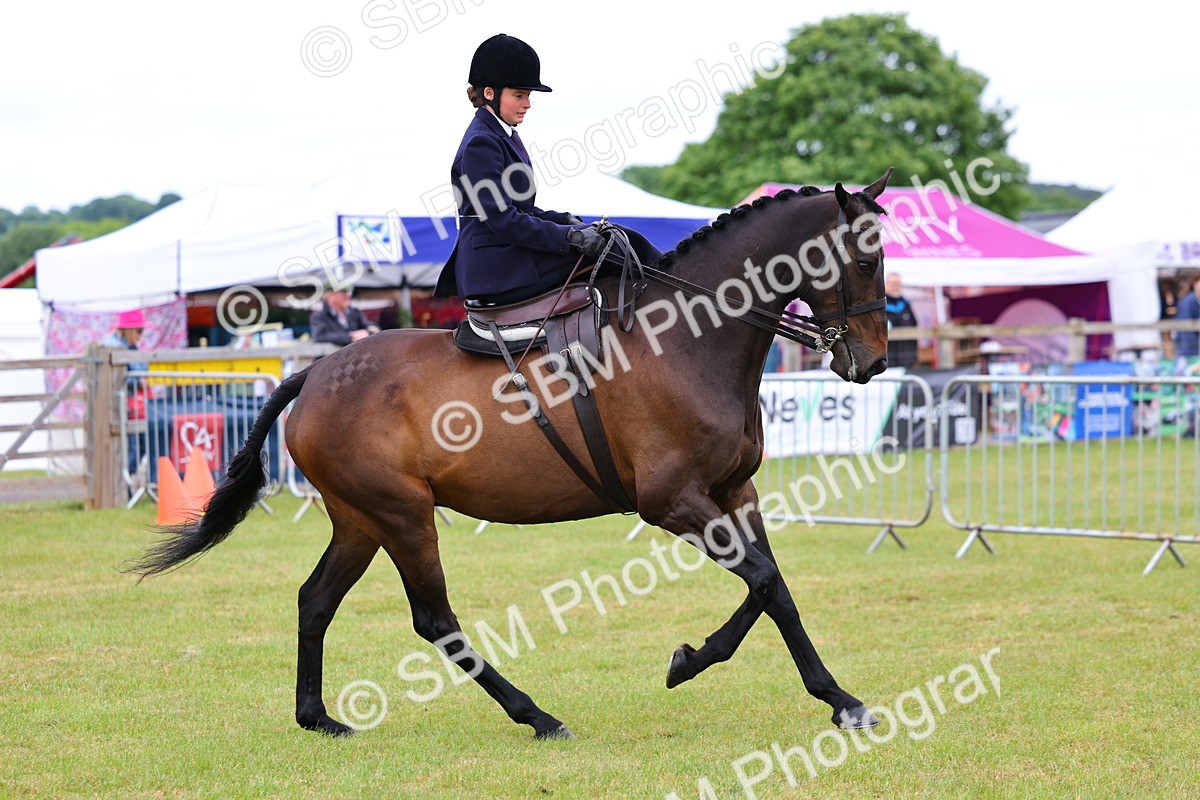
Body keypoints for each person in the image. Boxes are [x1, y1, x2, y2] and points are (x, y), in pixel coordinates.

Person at [433, 33, 659, 305]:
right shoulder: (481, 143)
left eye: (527, 95)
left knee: (616, 236)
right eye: (519, 95)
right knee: (613, 251)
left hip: (508, 252)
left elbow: (523, 211)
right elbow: (502, 219)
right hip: (495, 265)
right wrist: (570, 237)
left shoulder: (503, 135)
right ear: (489, 93)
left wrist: (566, 221)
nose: (527, 104)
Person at [101, 309, 151, 476]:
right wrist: (138, 381)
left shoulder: (129, 346)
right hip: (120, 407)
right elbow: (114, 379)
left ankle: (126, 481)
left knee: (140, 446)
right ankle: (125, 481)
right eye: (139, 331)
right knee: (134, 447)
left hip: (131, 407)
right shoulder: (112, 347)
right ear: (129, 330)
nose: (140, 335)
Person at [309, 286, 378, 346]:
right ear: (331, 295)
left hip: (352, 358)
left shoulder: (355, 312)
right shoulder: (318, 316)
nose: (348, 296)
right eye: (343, 293)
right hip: (330, 359)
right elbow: (320, 336)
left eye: (349, 293)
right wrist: (351, 337)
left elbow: (371, 326)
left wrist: (368, 332)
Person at [884, 272, 919, 368]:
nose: (896, 287)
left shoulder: (906, 304)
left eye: (898, 284)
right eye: (893, 284)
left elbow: (914, 326)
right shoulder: (881, 306)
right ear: (886, 285)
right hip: (887, 358)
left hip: (907, 357)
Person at [1173, 273, 1200, 358]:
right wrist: (1193, 356)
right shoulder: (1188, 302)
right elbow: (1186, 331)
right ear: (1195, 283)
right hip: (1190, 353)